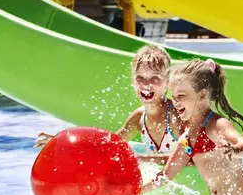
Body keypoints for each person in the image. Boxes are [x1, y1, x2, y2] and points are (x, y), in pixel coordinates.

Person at [142, 58, 243, 195]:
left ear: (202, 96)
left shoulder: (217, 125)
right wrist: (136, 192)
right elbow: (165, 176)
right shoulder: (186, 140)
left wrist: (235, 150)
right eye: (173, 96)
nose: (175, 102)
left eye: (181, 96)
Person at [35, 44, 185, 165]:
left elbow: (196, 158)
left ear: (167, 82)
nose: (146, 85)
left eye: (155, 79)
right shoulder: (139, 118)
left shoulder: (176, 116)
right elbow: (108, 145)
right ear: (133, 81)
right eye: (140, 78)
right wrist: (65, 142)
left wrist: (142, 159)